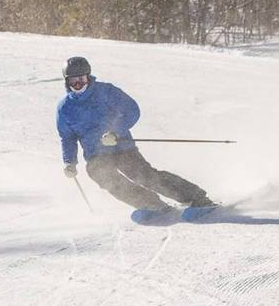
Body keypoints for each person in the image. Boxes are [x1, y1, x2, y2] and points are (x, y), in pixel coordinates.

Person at [57, 55, 216, 215]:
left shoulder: (106, 91)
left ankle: (197, 198)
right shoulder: (65, 108)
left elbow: (132, 110)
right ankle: (151, 204)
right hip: (96, 154)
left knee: (143, 175)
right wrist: (69, 161)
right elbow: (67, 137)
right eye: (73, 81)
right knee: (104, 177)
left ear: (88, 77)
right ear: (66, 82)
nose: (78, 84)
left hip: (122, 147)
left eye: (81, 79)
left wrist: (115, 131)